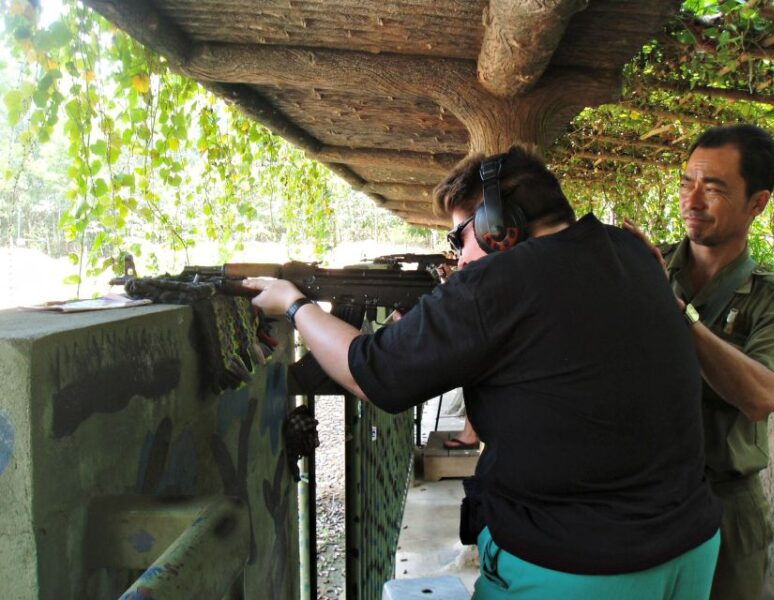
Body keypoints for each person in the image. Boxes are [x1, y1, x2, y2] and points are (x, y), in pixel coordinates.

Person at [245, 146, 721, 599]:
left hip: (578, 565)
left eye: (460, 236)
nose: (460, 257)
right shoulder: (629, 251)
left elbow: (371, 374)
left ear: (499, 225)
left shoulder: (499, 282)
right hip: (689, 545)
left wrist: (293, 304)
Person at [625, 124, 774, 600]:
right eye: (687, 182)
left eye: (714, 188)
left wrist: (675, 312)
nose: (693, 200)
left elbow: (764, 396)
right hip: (641, 496)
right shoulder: (644, 265)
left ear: (757, 203)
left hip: (726, 505)